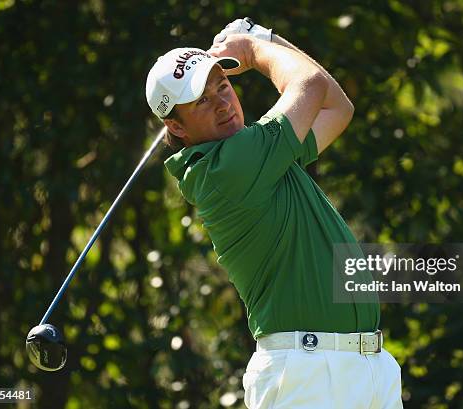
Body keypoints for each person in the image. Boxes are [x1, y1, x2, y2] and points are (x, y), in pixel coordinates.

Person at [145, 17, 403, 409]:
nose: (222, 103)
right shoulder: (229, 168)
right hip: (307, 375)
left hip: (362, 368)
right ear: (176, 127)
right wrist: (252, 49)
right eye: (201, 100)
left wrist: (267, 38)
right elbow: (310, 86)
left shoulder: (263, 157)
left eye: (223, 85)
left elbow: (336, 105)